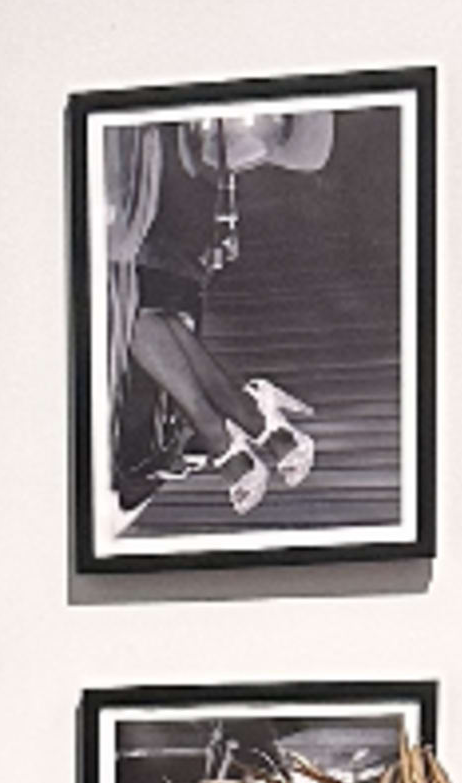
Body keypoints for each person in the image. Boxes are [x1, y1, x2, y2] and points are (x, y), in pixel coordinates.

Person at [101, 107, 331, 520]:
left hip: (170, 168)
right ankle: (242, 417)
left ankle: (230, 425)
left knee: (136, 305)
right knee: (136, 306)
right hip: (160, 165)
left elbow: (309, 147)